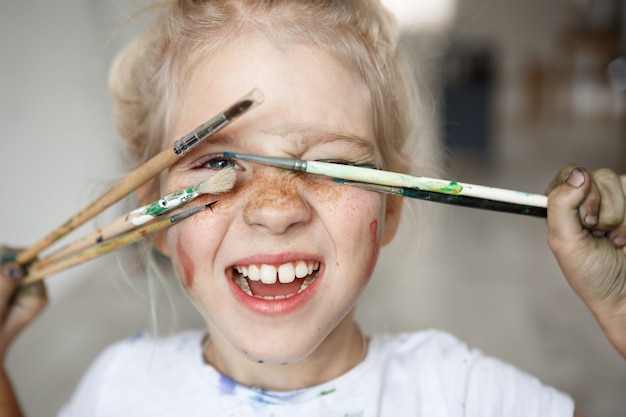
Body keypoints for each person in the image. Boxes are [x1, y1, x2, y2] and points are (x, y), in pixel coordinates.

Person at [0, 0, 624, 415]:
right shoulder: (120, 391)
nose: (275, 210)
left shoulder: (466, 397)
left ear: (392, 205)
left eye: (329, 166)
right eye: (217, 163)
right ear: (154, 216)